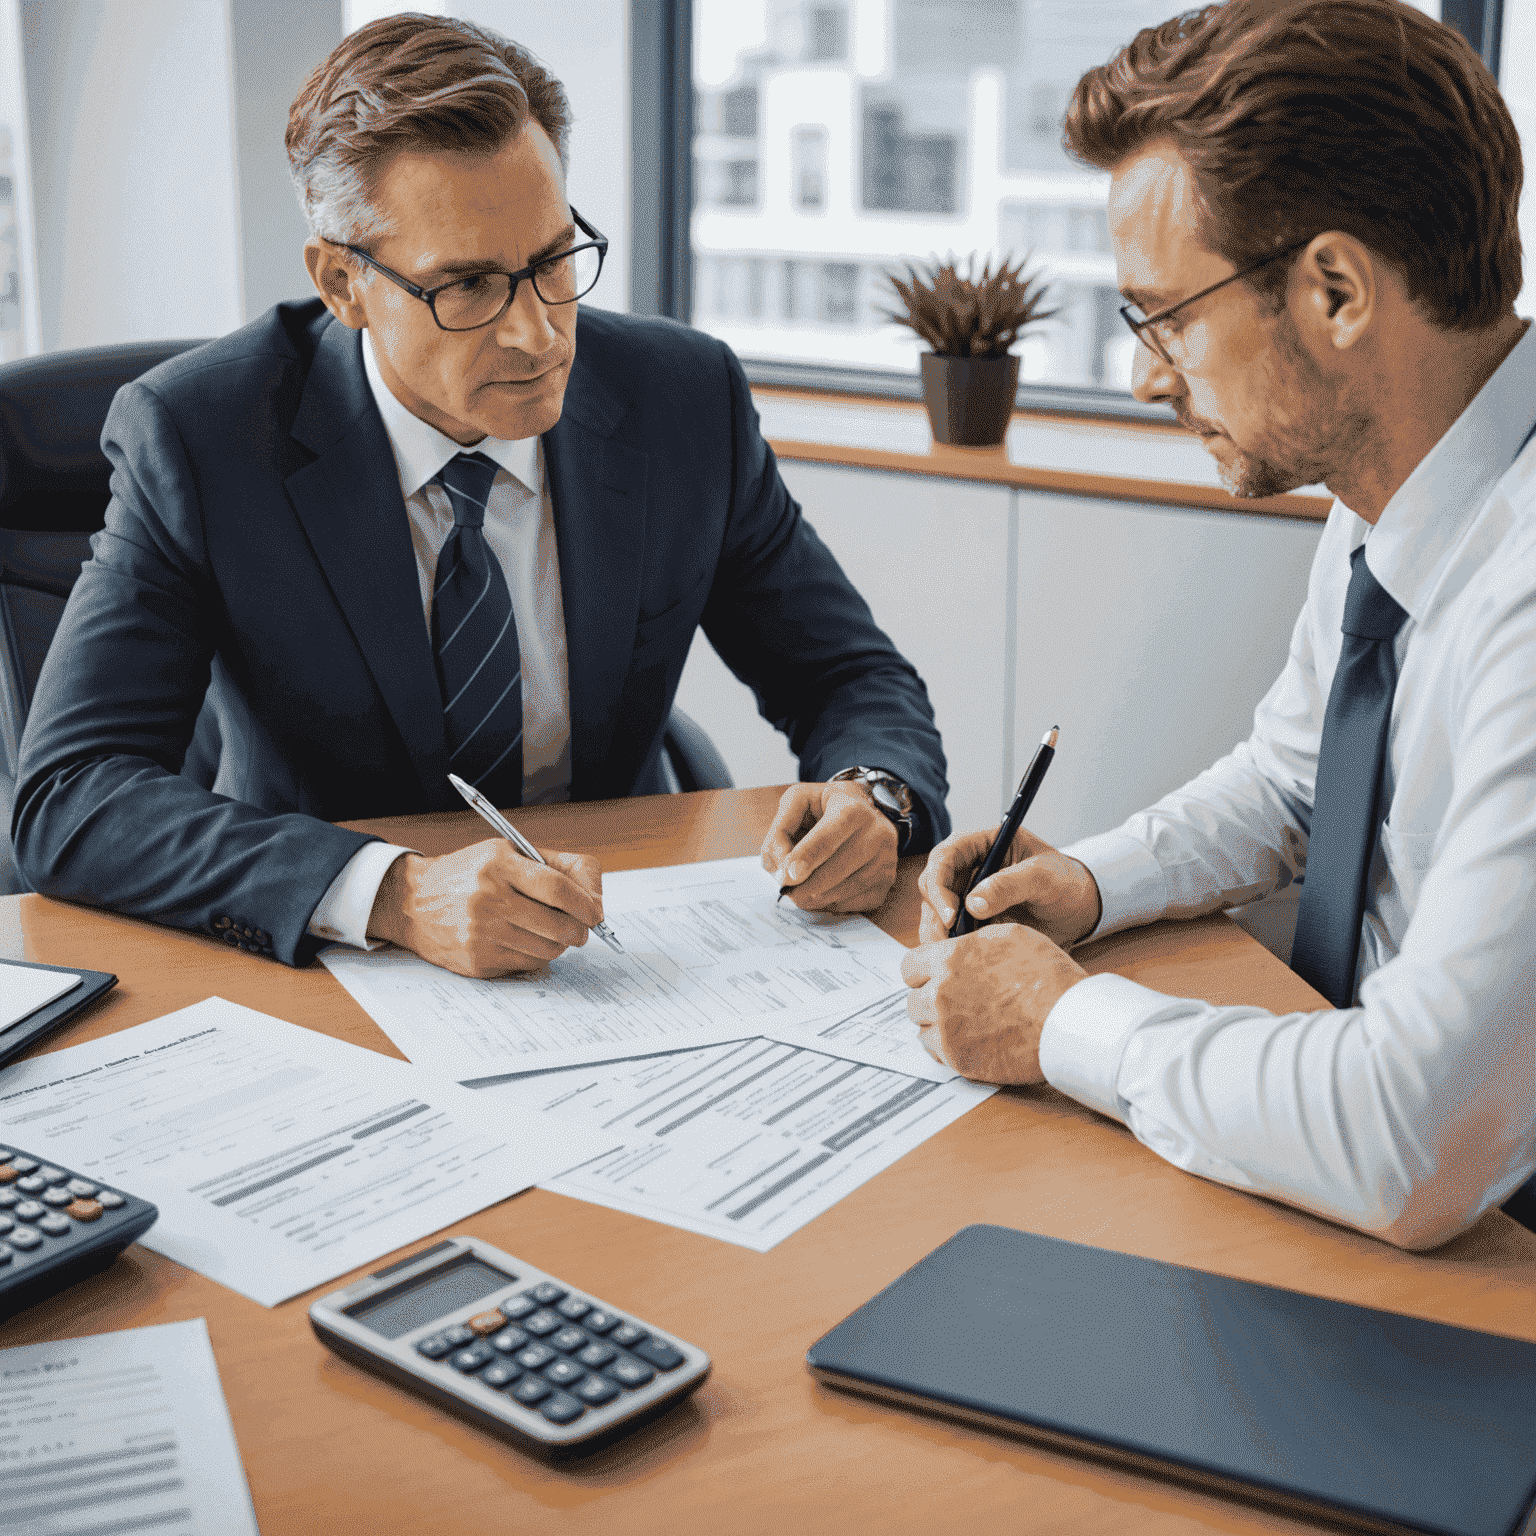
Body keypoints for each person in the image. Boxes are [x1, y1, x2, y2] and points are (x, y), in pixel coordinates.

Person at [11, 14, 948, 977]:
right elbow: (72, 797)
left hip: (626, 939)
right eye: (467, 287)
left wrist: (874, 797)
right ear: (343, 281)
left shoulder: (682, 401)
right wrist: (395, 893)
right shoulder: (203, 438)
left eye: (552, 262)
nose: (539, 337)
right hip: (346, 961)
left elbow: (847, 674)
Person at [901, 0, 1536, 1250]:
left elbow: (1415, 1134)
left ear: (1338, 290)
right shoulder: (1397, 488)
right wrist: (1087, 885)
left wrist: (1060, 1024)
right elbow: (1299, 778)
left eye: (1166, 317)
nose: (1146, 376)